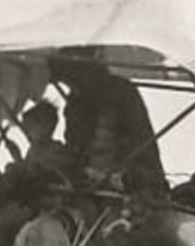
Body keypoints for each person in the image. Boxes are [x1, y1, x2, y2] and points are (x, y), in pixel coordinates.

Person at [55, 58, 169, 196]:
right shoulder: (76, 100)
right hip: (89, 182)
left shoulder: (120, 93)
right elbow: (74, 141)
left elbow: (139, 142)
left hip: (128, 183)